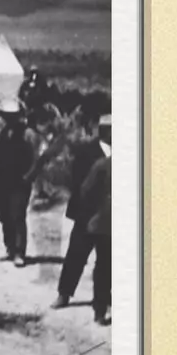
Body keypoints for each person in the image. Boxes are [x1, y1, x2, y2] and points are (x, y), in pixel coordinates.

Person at [53, 113, 112, 324]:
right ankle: (64, 293)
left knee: (106, 261)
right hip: (85, 212)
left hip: (109, 216)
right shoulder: (87, 152)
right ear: (104, 131)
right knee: (76, 254)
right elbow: (77, 183)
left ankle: (103, 299)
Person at [0, 100, 39, 265]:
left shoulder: (28, 134)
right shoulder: (4, 132)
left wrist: (29, 176)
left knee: (17, 214)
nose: (9, 120)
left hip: (20, 180)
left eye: (12, 116)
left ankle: (20, 251)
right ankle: (10, 247)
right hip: (4, 180)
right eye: (7, 116)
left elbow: (36, 158)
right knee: (3, 214)